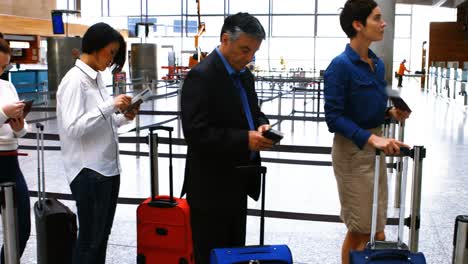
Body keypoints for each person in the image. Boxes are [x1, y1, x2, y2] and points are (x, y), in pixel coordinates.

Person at [180, 12, 273, 264]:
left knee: (234, 253)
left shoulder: (244, 75)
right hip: (210, 188)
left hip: (238, 181)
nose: (248, 58)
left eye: (253, 52)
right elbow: (196, 133)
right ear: (225, 39)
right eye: (244, 50)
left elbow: (253, 111)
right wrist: (244, 139)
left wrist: (262, 126)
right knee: (211, 254)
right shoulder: (202, 76)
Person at [323, 1, 411, 263]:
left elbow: (370, 110)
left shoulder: (377, 64)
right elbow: (334, 118)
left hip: (375, 149)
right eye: (377, 18)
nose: (383, 23)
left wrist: (390, 114)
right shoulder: (339, 66)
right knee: (360, 229)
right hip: (352, 152)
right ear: (358, 25)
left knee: (377, 227)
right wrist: (372, 138)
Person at [56, 23, 138, 264]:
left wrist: (123, 116)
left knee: (101, 237)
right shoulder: (74, 81)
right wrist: (110, 105)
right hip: (89, 172)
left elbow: (102, 123)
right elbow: (72, 128)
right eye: (110, 52)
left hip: (107, 169)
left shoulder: (97, 79)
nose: (112, 59)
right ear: (95, 46)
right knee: (90, 240)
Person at [0, 34, 31, 263]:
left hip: (11, 162)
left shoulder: (7, 85)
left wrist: (19, 126)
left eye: (4, 65)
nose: (1, 70)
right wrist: (3, 114)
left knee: (22, 225)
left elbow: (21, 130)